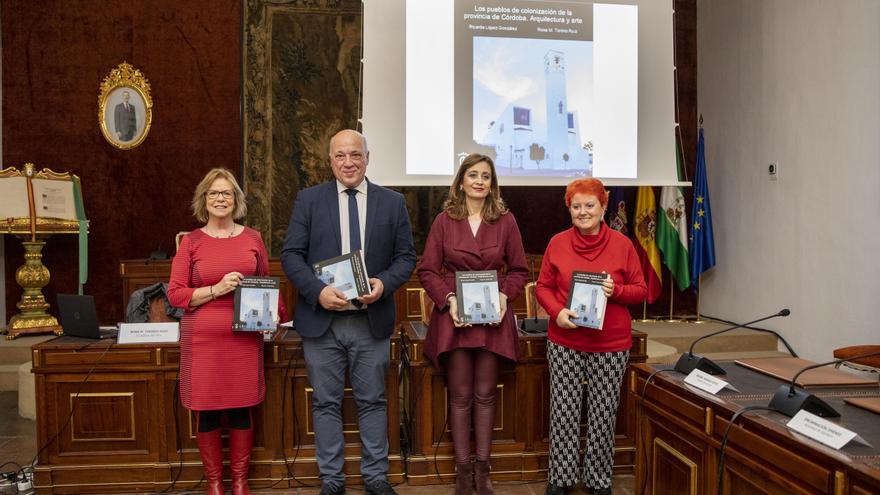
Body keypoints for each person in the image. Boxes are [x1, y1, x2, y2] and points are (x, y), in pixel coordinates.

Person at [280, 129, 416, 495]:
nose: (348, 162)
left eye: (355, 154)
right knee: (325, 402)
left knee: (373, 402)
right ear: (330, 161)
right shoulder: (308, 200)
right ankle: (332, 481)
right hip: (322, 322)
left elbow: (406, 258)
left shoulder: (392, 203)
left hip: (369, 322)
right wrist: (317, 291)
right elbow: (291, 255)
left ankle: (375, 477)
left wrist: (384, 285)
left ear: (367, 158)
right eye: (340, 156)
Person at [168, 168, 285, 495]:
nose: (221, 199)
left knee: (240, 406)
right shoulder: (191, 242)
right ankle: (215, 483)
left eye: (227, 193)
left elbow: (266, 284)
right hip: (202, 341)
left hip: (244, 339)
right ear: (204, 200)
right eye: (214, 193)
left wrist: (274, 315)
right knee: (205, 409)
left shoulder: (253, 238)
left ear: (236, 200)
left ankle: (240, 482)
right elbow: (176, 294)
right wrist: (217, 289)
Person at [418, 153, 529, 495]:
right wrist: (449, 300)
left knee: (485, 396)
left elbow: (520, 271)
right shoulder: (444, 220)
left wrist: (504, 297)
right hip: (455, 319)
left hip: (493, 320)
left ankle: (484, 471)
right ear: (461, 181)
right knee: (461, 396)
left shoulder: (506, 221)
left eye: (486, 176)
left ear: (492, 184)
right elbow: (427, 271)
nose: (480, 181)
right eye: (473, 175)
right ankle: (463, 473)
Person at [535, 178, 647, 495]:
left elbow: (641, 291)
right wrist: (557, 311)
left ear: (603, 206)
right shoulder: (557, 243)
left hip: (610, 345)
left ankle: (599, 481)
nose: (583, 212)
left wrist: (617, 290)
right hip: (565, 341)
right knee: (564, 412)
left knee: (602, 414)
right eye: (576, 206)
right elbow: (543, 287)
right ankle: (561, 478)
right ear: (568, 209)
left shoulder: (623, 245)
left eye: (589, 205)